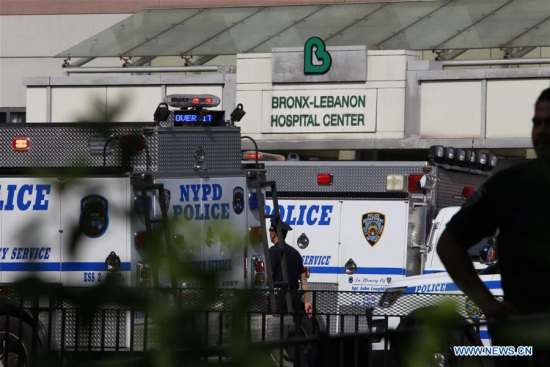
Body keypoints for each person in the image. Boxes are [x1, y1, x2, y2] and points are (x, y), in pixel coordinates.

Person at [437, 87, 550, 366]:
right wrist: (489, 304)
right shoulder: (509, 186)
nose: (541, 131)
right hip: (522, 346)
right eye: (537, 123)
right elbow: (449, 244)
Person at [268, 218, 313, 318]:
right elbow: (304, 280)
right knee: (293, 326)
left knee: (276, 328)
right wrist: (307, 302)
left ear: (274, 233)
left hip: (278, 298)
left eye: (270, 230)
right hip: (294, 298)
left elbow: (269, 276)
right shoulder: (295, 253)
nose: (269, 233)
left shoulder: (273, 251)